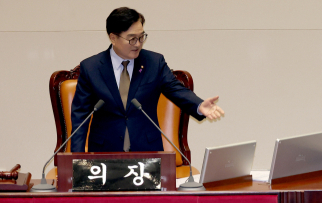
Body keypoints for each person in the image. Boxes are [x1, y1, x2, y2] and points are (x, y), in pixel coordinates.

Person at [70, 7, 224, 153]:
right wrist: (75, 162)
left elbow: (175, 88)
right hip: (105, 153)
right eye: (131, 39)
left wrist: (198, 105)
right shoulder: (91, 68)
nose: (138, 44)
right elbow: (80, 118)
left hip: (147, 152)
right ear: (113, 38)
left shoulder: (154, 62)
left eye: (141, 37)